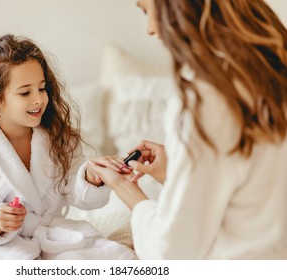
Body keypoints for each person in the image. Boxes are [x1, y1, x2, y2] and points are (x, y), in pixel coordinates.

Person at [88, 0, 287, 259]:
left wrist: (124, 188)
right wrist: (176, 170)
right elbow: (251, 193)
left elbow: (172, 253)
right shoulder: (271, 72)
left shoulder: (203, 99)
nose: (149, 29)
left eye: (146, 10)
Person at [0, 34, 134, 260]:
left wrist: (90, 176)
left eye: (42, 88)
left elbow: (75, 192)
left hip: (51, 234)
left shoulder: (57, 138)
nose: (38, 99)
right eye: (25, 92)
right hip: (3, 243)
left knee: (116, 258)